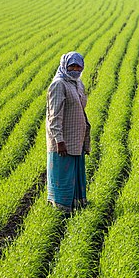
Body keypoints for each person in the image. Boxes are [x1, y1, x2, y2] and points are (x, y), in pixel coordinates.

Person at [46, 51, 91, 213]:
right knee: (63, 175)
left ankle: (75, 206)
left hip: (76, 138)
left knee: (74, 173)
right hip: (63, 141)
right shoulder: (59, 84)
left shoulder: (77, 83)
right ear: (65, 66)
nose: (75, 69)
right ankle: (60, 209)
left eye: (78, 66)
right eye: (72, 65)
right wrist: (59, 140)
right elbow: (54, 116)